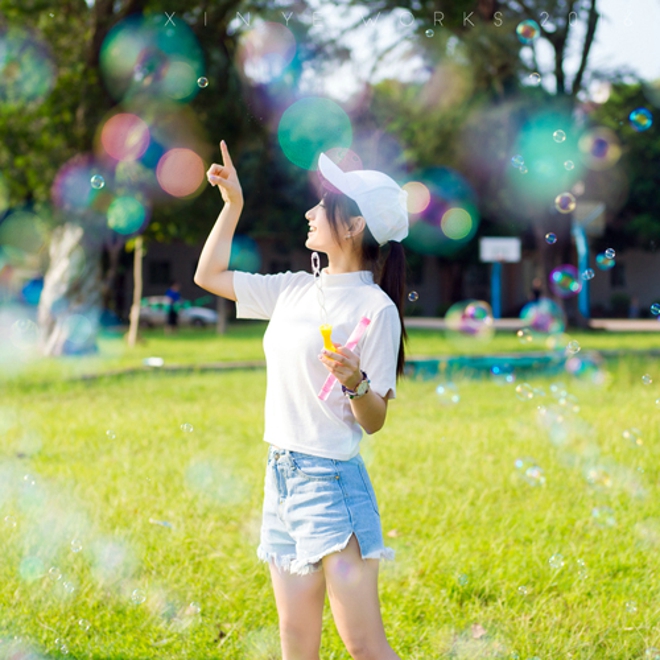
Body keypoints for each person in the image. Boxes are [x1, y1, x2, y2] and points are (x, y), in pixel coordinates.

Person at [194, 140, 408, 660]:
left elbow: (374, 420)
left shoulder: (376, 309)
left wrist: (356, 382)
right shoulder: (294, 289)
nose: (310, 212)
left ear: (353, 225)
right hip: (281, 477)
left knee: (364, 645)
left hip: (332, 485)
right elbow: (208, 276)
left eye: (323, 205)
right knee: (296, 641)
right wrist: (233, 206)